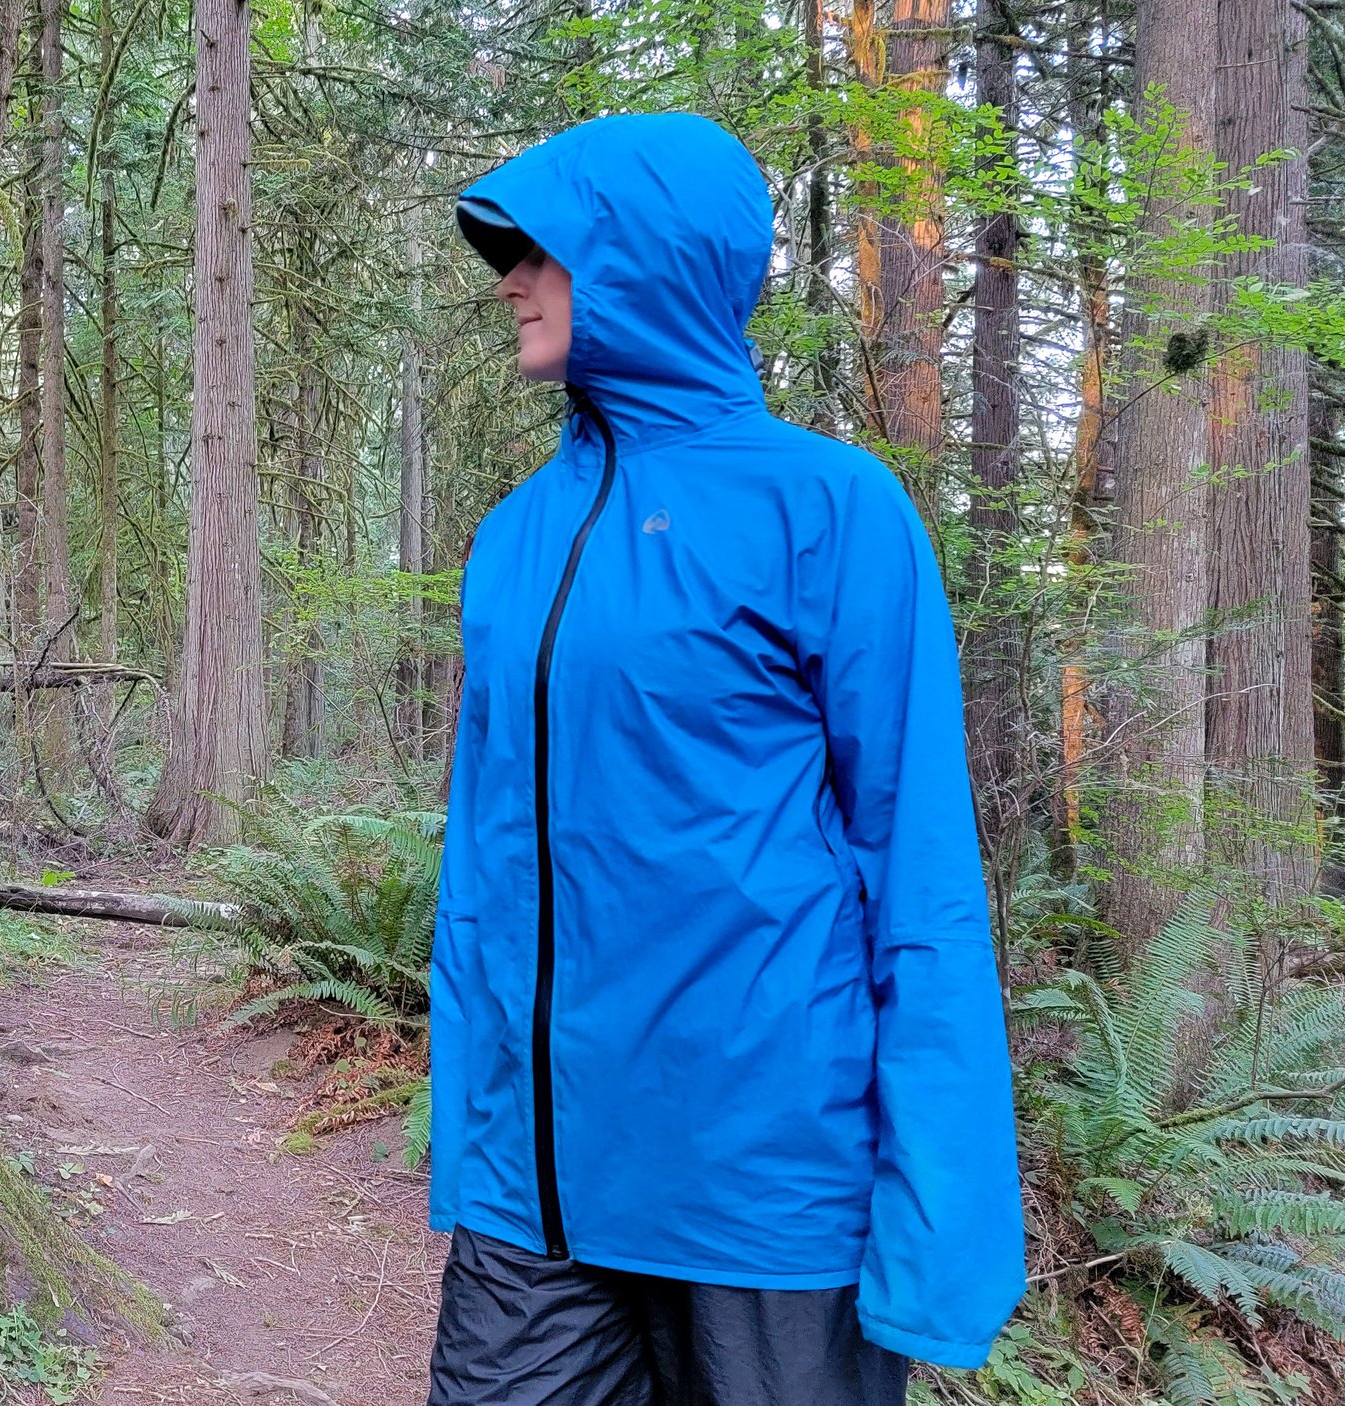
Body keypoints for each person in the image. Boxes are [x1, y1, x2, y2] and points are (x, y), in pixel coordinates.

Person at [424, 113, 1025, 1406]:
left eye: (540, 250)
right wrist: (468, 1143)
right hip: (537, 1204)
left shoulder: (829, 509)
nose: (510, 279)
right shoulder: (513, 540)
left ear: (645, 256)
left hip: (766, 1208)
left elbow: (916, 875)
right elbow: (479, 871)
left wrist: (940, 1227)